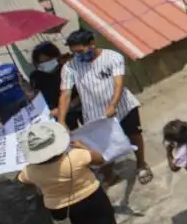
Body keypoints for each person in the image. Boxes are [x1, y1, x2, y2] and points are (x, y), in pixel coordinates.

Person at [17, 118, 128, 224]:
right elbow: (100, 160)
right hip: (91, 197)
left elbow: (22, 181)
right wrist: (85, 148)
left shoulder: (31, 171)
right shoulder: (76, 156)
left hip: (59, 208)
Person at [56, 28, 152, 184]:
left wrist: (113, 105)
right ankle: (109, 172)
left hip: (123, 107)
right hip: (95, 114)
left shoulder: (112, 57)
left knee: (134, 135)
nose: (78, 55)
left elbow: (118, 83)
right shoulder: (70, 67)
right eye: (75, 53)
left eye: (80, 51)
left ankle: (141, 164)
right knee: (102, 144)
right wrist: (61, 120)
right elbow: (65, 94)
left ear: (91, 44)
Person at [26, 41, 80, 127]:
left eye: (48, 60)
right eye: (41, 62)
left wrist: (63, 108)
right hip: (53, 117)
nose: (45, 64)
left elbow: (82, 94)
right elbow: (35, 96)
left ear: (56, 57)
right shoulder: (36, 76)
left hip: (77, 110)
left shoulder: (69, 69)